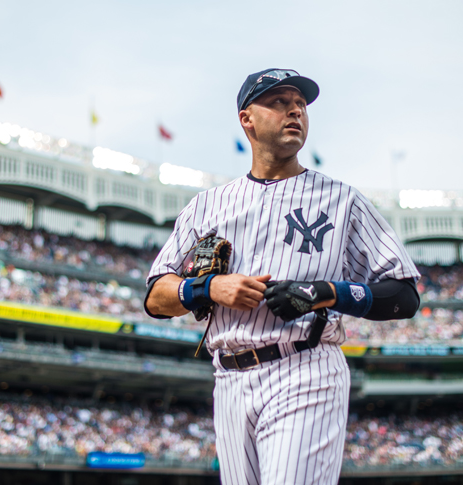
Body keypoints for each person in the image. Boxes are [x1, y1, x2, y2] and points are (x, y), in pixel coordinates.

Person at [144, 68, 421, 484]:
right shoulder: (207, 206)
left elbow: (403, 294)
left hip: (304, 366)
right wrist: (209, 287)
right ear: (247, 120)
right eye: (279, 102)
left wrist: (326, 292)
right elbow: (156, 298)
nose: (295, 110)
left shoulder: (341, 200)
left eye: (301, 104)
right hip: (229, 379)